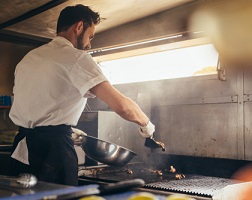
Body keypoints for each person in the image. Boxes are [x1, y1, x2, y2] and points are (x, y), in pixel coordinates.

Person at [9, 4, 155, 186]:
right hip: (54, 154)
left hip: (20, 152)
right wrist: (147, 125)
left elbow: (38, 105)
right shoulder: (77, 58)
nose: (89, 44)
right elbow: (122, 106)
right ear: (79, 27)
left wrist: (63, 126)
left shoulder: (28, 58)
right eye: (90, 35)